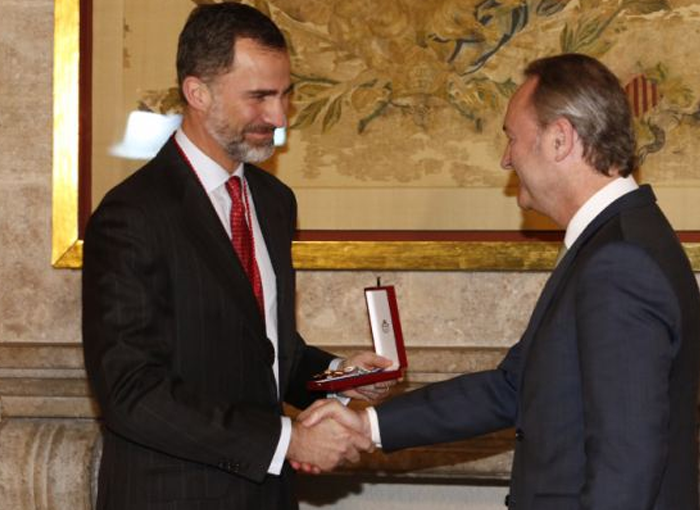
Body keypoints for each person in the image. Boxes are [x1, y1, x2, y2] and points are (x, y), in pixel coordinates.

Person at [299, 53, 700, 510]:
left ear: (559, 139)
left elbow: (627, 469)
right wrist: (369, 426)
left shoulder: (619, 261)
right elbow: (512, 386)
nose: (507, 158)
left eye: (512, 137)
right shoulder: (615, 242)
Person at [82, 3, 392, 509]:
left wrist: (343, 376)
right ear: (197, 93)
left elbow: (264, 349)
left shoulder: (273, 202)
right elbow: (131, 393)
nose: (279, 117)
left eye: (286, 94)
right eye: (259, 97)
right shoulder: (132, 215)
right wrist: (287, 440)